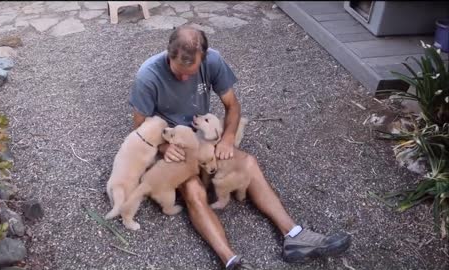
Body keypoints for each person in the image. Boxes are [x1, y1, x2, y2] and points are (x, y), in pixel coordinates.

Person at [128, 25, 351, 270]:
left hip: (201, 133)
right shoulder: (148, 75)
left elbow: (232, 106)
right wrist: (162, 148)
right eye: (178, 72)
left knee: (248, 163)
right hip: (172, 140)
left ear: (203, 56)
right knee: (192, 190)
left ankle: (294, 236)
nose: (183, 78)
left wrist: (227, 137)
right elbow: (139, 128)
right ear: (169, 54)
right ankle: (231, 261)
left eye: (190, 74)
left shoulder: (213, 60)